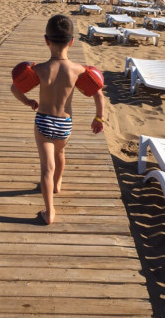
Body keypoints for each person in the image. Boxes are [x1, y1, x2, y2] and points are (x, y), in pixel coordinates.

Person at [10, 15, 104, 225]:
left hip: (43, 122)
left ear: (46, 41)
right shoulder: (78, 70)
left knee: (46, 168)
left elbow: (15, 88)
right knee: (60, 153)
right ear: (72, 41)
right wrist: (99, 118)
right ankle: (58, 184)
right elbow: (98, 94)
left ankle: (49, 211)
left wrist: (28, 101)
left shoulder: (40, 69)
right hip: (64, 124)